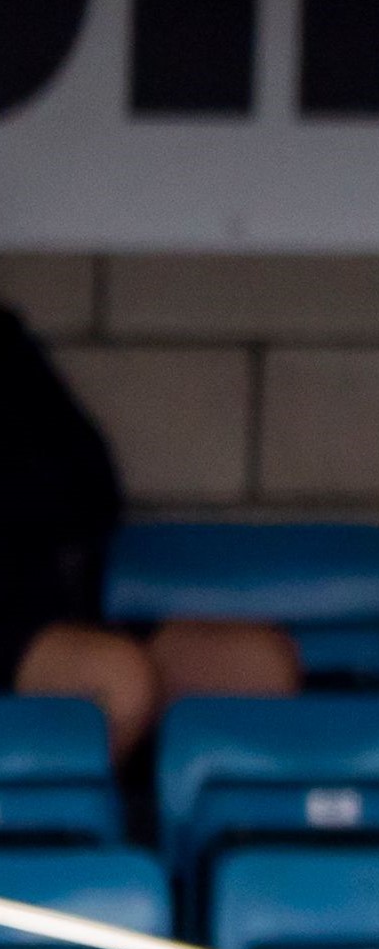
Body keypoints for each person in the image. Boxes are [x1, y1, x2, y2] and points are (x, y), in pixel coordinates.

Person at [0, 302, 300, 768]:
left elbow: (91, 489)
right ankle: (63, 829)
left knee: (258, 665)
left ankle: (203, 830)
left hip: (51, 606)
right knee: (117, 680)